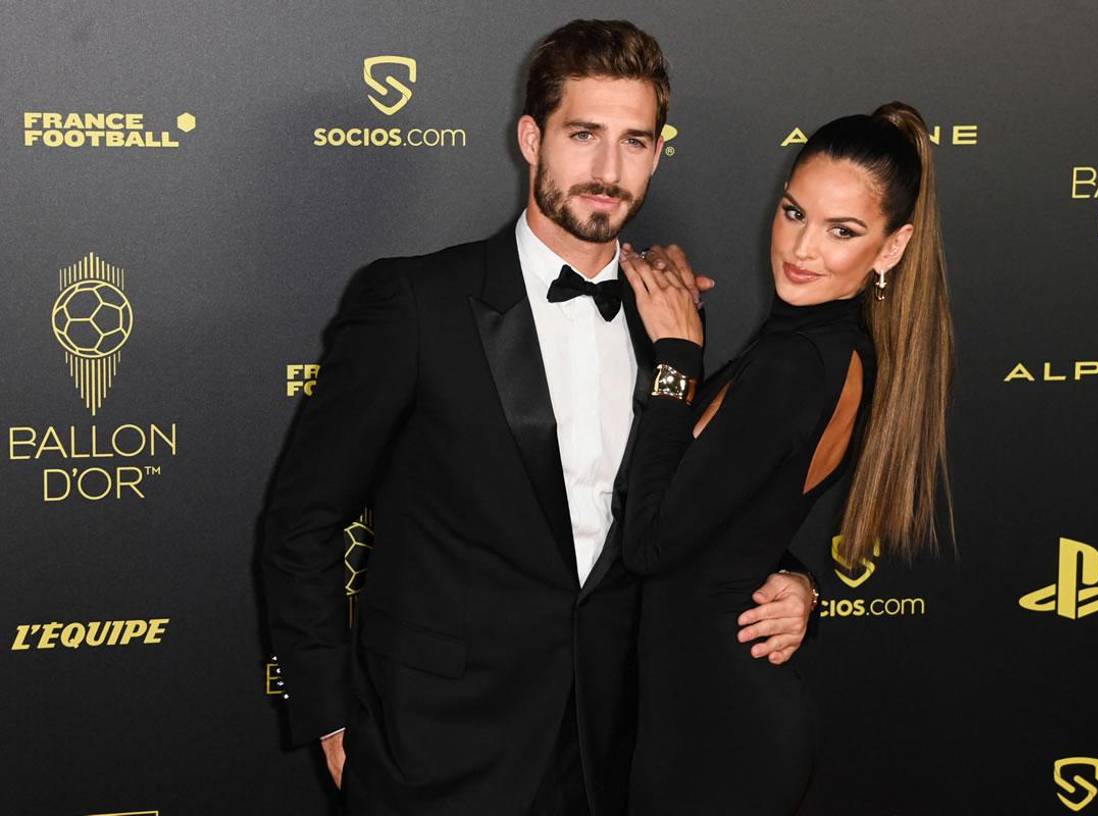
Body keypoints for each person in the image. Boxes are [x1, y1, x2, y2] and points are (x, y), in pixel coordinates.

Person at [259, 19, 817, 815]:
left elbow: (700, 503)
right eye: (583, 134)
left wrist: (796, 578)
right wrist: (329, 718)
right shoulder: (413, 304)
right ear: (532, 138)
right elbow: (302, 520)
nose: (606, 169)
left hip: (611, 752)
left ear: (659, 154)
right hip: (437, 750)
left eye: (633, 141)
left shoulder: (671, 317)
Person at [618, 102, 954, 814]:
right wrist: (798, 582)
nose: (802, 249)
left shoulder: (799, 364)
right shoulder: (821, 347)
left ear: (891, 249)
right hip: (706, 715)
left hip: (715, 733)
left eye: (843, 231)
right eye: (794, 213)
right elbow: (736, 519)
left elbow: (649, 542)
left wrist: (678, 355)